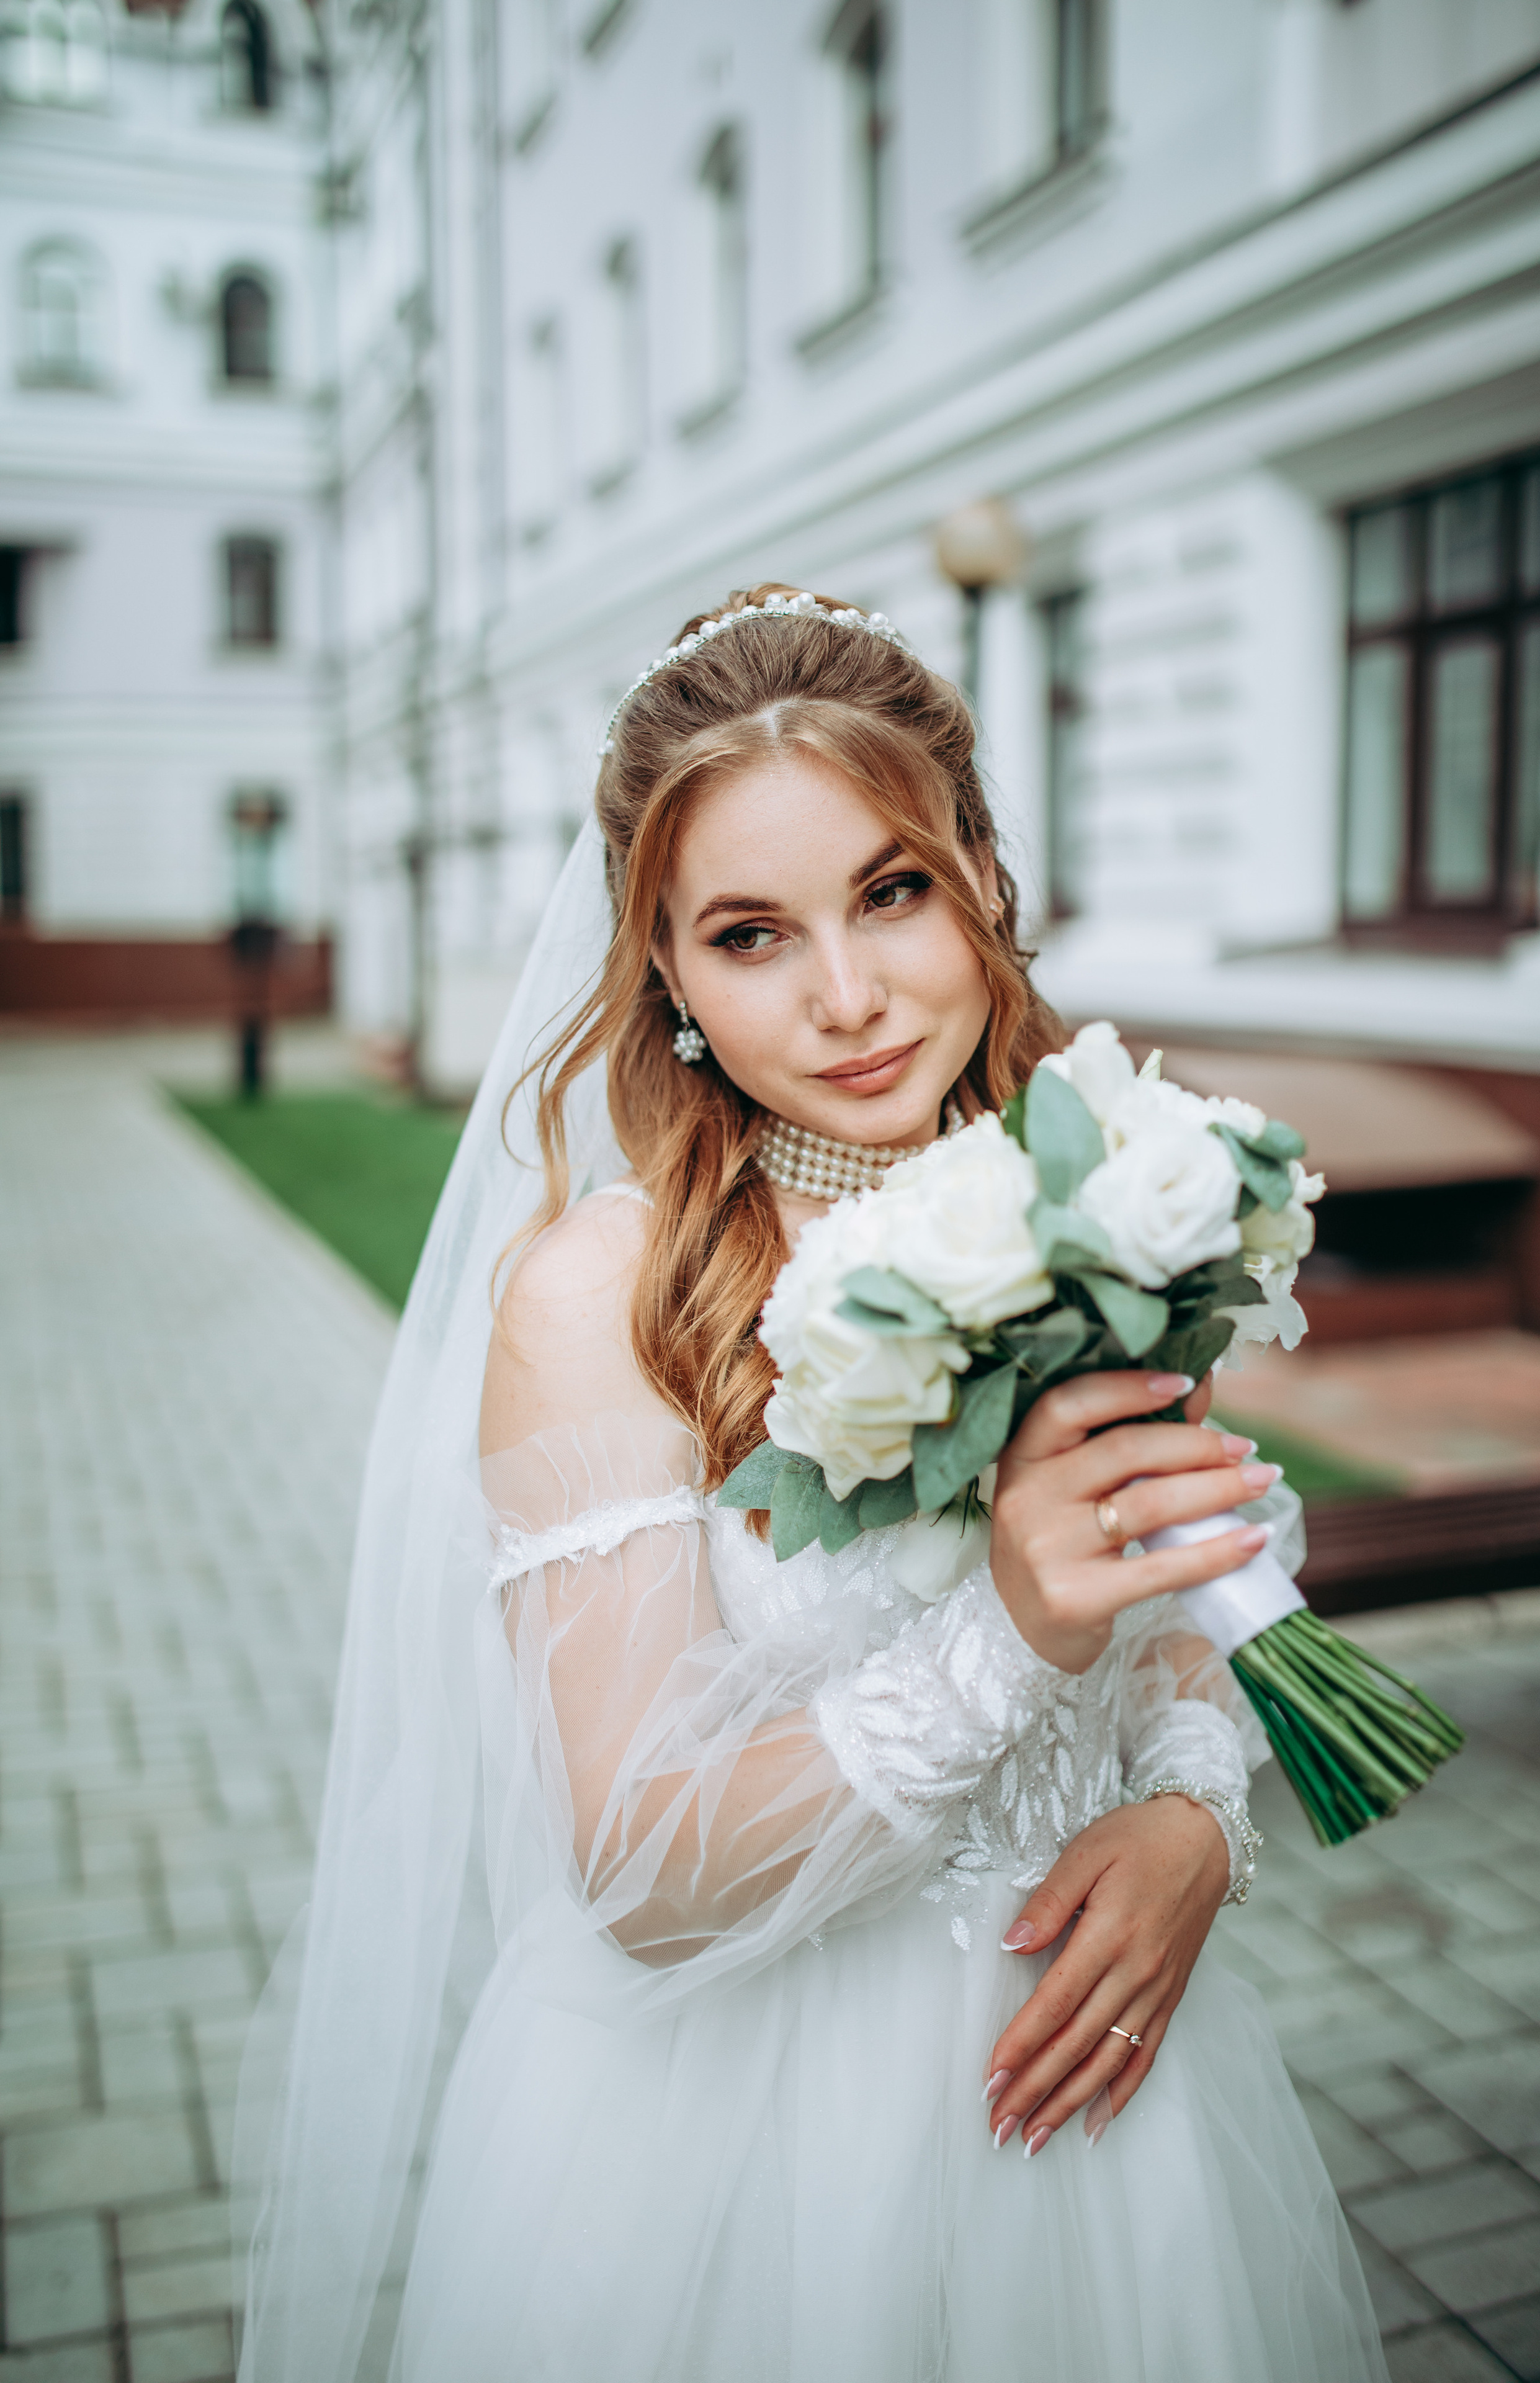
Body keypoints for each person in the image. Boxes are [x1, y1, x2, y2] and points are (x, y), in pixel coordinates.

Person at [235, 586, 1387, 2383]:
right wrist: (1007, 1629)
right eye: (751, 934)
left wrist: (1191, 1824)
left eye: (892, 891)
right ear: (666, 973)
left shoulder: (1103, 1201)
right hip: (743, 2144)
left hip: (1090, 2091)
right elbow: (640, 1868)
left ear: (982, 878)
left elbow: (1165, 1626)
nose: (846, 997)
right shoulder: (597, 1298)